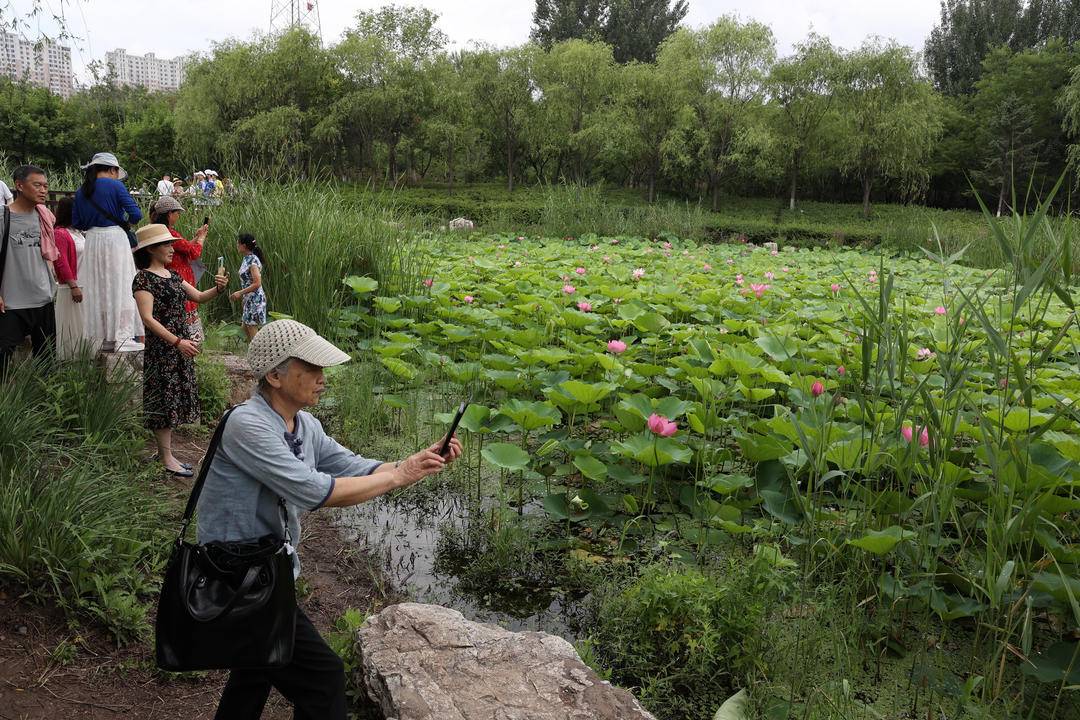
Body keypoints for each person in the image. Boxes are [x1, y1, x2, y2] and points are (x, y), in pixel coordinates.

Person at [196, 319, 462, 719]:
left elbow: (353, 466)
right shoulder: (247, 425)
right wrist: (398, 476)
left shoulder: (304, 424)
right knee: (323, 679)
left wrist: (410, 463)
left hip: (268, 572)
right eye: (314, 369)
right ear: (275, 375)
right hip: (239, 577)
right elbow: (315, 490)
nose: (323, 379)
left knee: (255, 670)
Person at [132, 224, 228, 476]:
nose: (172, 248)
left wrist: (219, 288)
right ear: (151, 249)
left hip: (179, 346)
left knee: (173, 398)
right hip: (163, 349)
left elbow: (198, 296)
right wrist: (177, 341)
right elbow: (148, 319)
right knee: (163, 399)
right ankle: (166, 458)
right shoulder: (143, 278)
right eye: (167, 244)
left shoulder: (173, 276)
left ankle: (166, 453)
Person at [72, 151, 145, 353]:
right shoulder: (115, 186)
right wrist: (123, 222)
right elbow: (136, 214)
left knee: (99, 287)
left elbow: (77, 222)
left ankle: (103, 337)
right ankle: (121, 336)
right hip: (115, 239)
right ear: (112, 170)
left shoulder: (81, 191)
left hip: (93, 240)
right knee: (120, 284)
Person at [0, 165, 67, 374]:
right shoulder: (4, 217)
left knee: (46, 362)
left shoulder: (44, 216)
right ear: (19, 186)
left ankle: (43, 404)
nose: (43, 190)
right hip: (11, 301)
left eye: (46, 186)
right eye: (36, 185)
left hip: (43, 298)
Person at [151, 195, 208, 341]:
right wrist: (201, 238)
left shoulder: (160, 230)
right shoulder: (170, 233)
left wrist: (195, 238)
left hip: (171, 275)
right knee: (184, 308)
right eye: (177, 213)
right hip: (179, 277)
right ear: (170, 214)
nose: (178, 216)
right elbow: (193, 252)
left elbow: (182, 247)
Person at [53, 197, 87, 359]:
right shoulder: (60, 233)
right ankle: (71, 364)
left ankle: (85, 363)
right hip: (71, 288)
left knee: (83, 329)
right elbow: (61, 262)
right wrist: (73, 286)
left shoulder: (78, 233)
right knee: (72, 331)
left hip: (84, 286)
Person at [231, 233, 266, 341]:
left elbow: (257, 283)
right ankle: (254, 353)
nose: (237, 245)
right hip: (249, 298)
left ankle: (259, 354)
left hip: (255, 298)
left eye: (238, 243)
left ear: (244, 246)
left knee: (251, 328)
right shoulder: (247, 258)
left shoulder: (253, 261)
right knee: (245, 327)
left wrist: (240, 293)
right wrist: (244, 298)